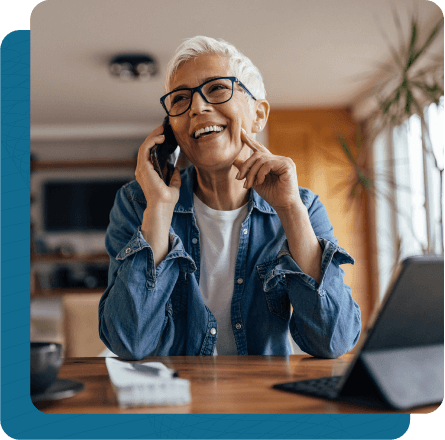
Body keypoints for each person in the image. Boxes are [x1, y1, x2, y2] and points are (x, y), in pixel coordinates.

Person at [98, 36, 361, 360]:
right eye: (180, 99)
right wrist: (160, 208)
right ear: (171, 129)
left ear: (258, 114)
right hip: (170, 399)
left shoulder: (303, 206)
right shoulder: (138, 204)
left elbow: (333, 341)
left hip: (262, 401)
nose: (197, 107)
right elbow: (128, 342)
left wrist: (290, 209)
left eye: (218, 89)